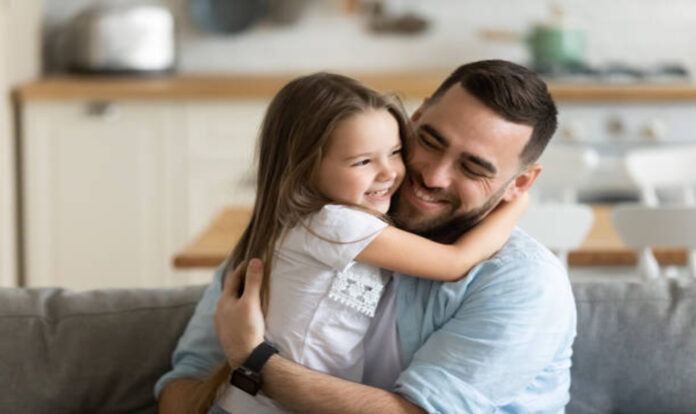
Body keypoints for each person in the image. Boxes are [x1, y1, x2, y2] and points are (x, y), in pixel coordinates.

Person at [156, 60, 577, 413]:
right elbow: (186, 384)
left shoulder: (523, 282)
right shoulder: (313, 221)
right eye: (428, 141)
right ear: (413, 119)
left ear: (521, 183)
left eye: (472, 169)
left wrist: (253, 359)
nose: (431, 176)